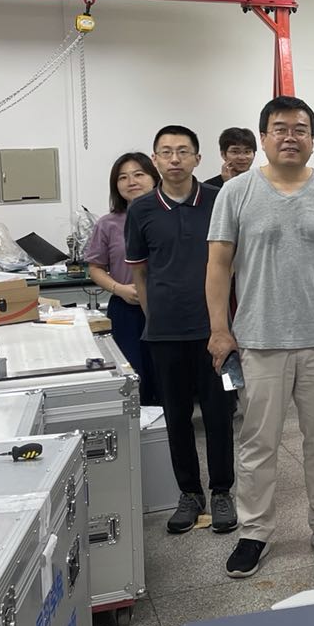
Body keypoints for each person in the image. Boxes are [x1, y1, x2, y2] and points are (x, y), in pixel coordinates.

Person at [207, 96, 314, 579]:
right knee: (258, 444)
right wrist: (219, 329)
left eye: (300, 129)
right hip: (259, 340)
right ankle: (255, 531)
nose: (290, 137)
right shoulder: (236, 193)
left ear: (313, 138)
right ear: (264, 138)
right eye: (280, 128)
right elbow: (218, 266)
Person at [126, 126, 237, 536]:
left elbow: (234, 264)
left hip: (216, 331)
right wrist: (154, 318)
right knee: (176, 417)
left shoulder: (218, 200)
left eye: (183, 151)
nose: (175, 159)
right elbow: (140, 273)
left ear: (197, 159)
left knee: (220, 415)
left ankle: (222, 491)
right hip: (165, 333)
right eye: (166, 152)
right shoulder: (141, 210)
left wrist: (228, 324)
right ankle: (189, 493)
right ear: (155, 159)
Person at [86, 152, 161, 406]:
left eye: (139, 174)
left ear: (154, 177)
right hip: (127, 310)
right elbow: (95, 268)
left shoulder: (169, 216)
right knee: (134, 378)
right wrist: (119, 289)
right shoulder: (108, 224)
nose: (131, 182)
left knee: (167, 377)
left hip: (167, 309)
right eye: (123, 177)